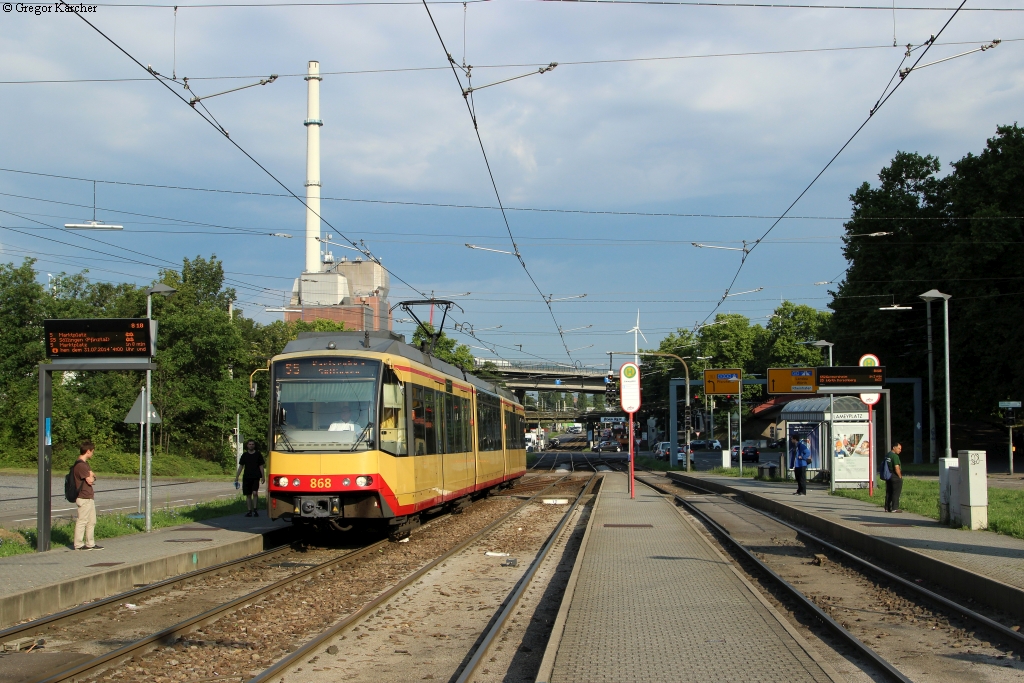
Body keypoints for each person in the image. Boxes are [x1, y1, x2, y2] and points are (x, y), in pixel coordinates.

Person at [73, 440, 103, 550]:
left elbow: (91, 476)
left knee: (92, 521)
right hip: (83, 497)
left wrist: (91, 475)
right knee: (82, 521)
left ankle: (90, 543)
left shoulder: (85, 464)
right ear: (88, 451)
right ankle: (78, 544)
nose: (93, 453)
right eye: (92, 451)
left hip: (89, 496)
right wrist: (92, 476)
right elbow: (90, 480)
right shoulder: (80, 465)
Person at [234, 440, 265, 517]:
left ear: (254, 445)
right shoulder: (245, 455)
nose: (251, 445)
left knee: (255, 493)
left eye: (252, 444)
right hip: (247, 477)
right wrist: (237, 476)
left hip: (255, 477)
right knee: (248, 495)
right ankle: (249, 511)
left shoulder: (258, 454)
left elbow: (261, 466)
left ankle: (255, 509)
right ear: (247, 445)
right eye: (250, 444)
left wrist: (263, 476)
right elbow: (241, 466)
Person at [885, 442, 904, 513]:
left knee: (889, 491)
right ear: (894, 447)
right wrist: (900, 476)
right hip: (894, 475)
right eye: (898, 448)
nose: (900, 450)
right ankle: (894, 508)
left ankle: (887, 507)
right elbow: (896, 467)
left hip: (888, 475)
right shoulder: (895, 456)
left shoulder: (887, 455)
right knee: (896, 492)